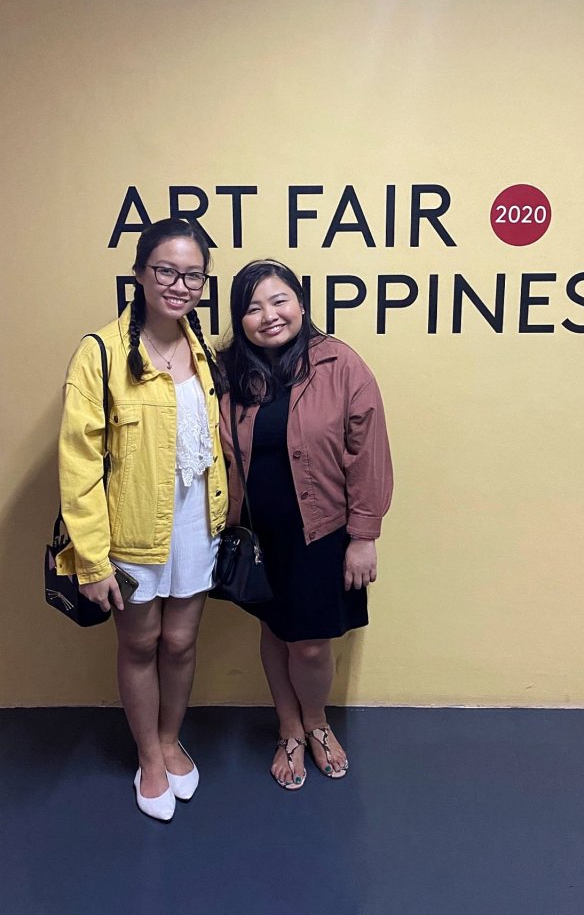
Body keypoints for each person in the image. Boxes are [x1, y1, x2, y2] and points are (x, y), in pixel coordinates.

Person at [56, 217, 227, 821]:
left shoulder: (202, 349)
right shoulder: (100, 352)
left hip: (196, 523)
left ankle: (170, 738)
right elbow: (79, 462)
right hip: (128, 530)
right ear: (139, 274)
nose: (180, 285)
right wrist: (91, 559)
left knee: (180, 642)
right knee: (139, 643)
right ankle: (149, 757)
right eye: (166, 271)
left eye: (193, 276)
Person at [218, 259, 393, 789]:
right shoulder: (227, 372)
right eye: (252, 308)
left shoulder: (339, 363)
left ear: (300, 302)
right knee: (275, 629)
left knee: (311, 643)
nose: (269, 316)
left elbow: (369, 453)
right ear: (239, 319)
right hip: (257, 533)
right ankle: (288, 728)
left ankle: (316, 723)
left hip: (321, 532)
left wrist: (363, 536)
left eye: (279, 301)